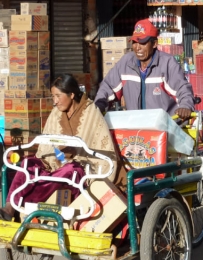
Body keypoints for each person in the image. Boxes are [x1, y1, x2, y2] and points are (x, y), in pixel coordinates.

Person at [0, 74, 125, 221]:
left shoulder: (91, 112)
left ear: (71, 95)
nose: (55, 101)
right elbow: (47, 145)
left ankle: (33, 205)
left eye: (58, 96)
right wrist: (54, 158)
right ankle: (9, 207)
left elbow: (99, 144)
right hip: (54, 163)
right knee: (28, 164)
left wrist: (69, 160)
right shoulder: (56, 112)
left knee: (68, 172)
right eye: (53, 96)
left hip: (81, 167)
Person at [94, 18, 195, 119]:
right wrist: (98, 105)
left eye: (142, 43)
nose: (137, 47)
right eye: (134, 42)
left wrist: (185, 106)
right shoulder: (126, 62)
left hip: (165, 126)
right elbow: (107, 86)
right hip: (136, 127)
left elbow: (182, 89)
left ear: (154, 44)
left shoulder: (167, 63)